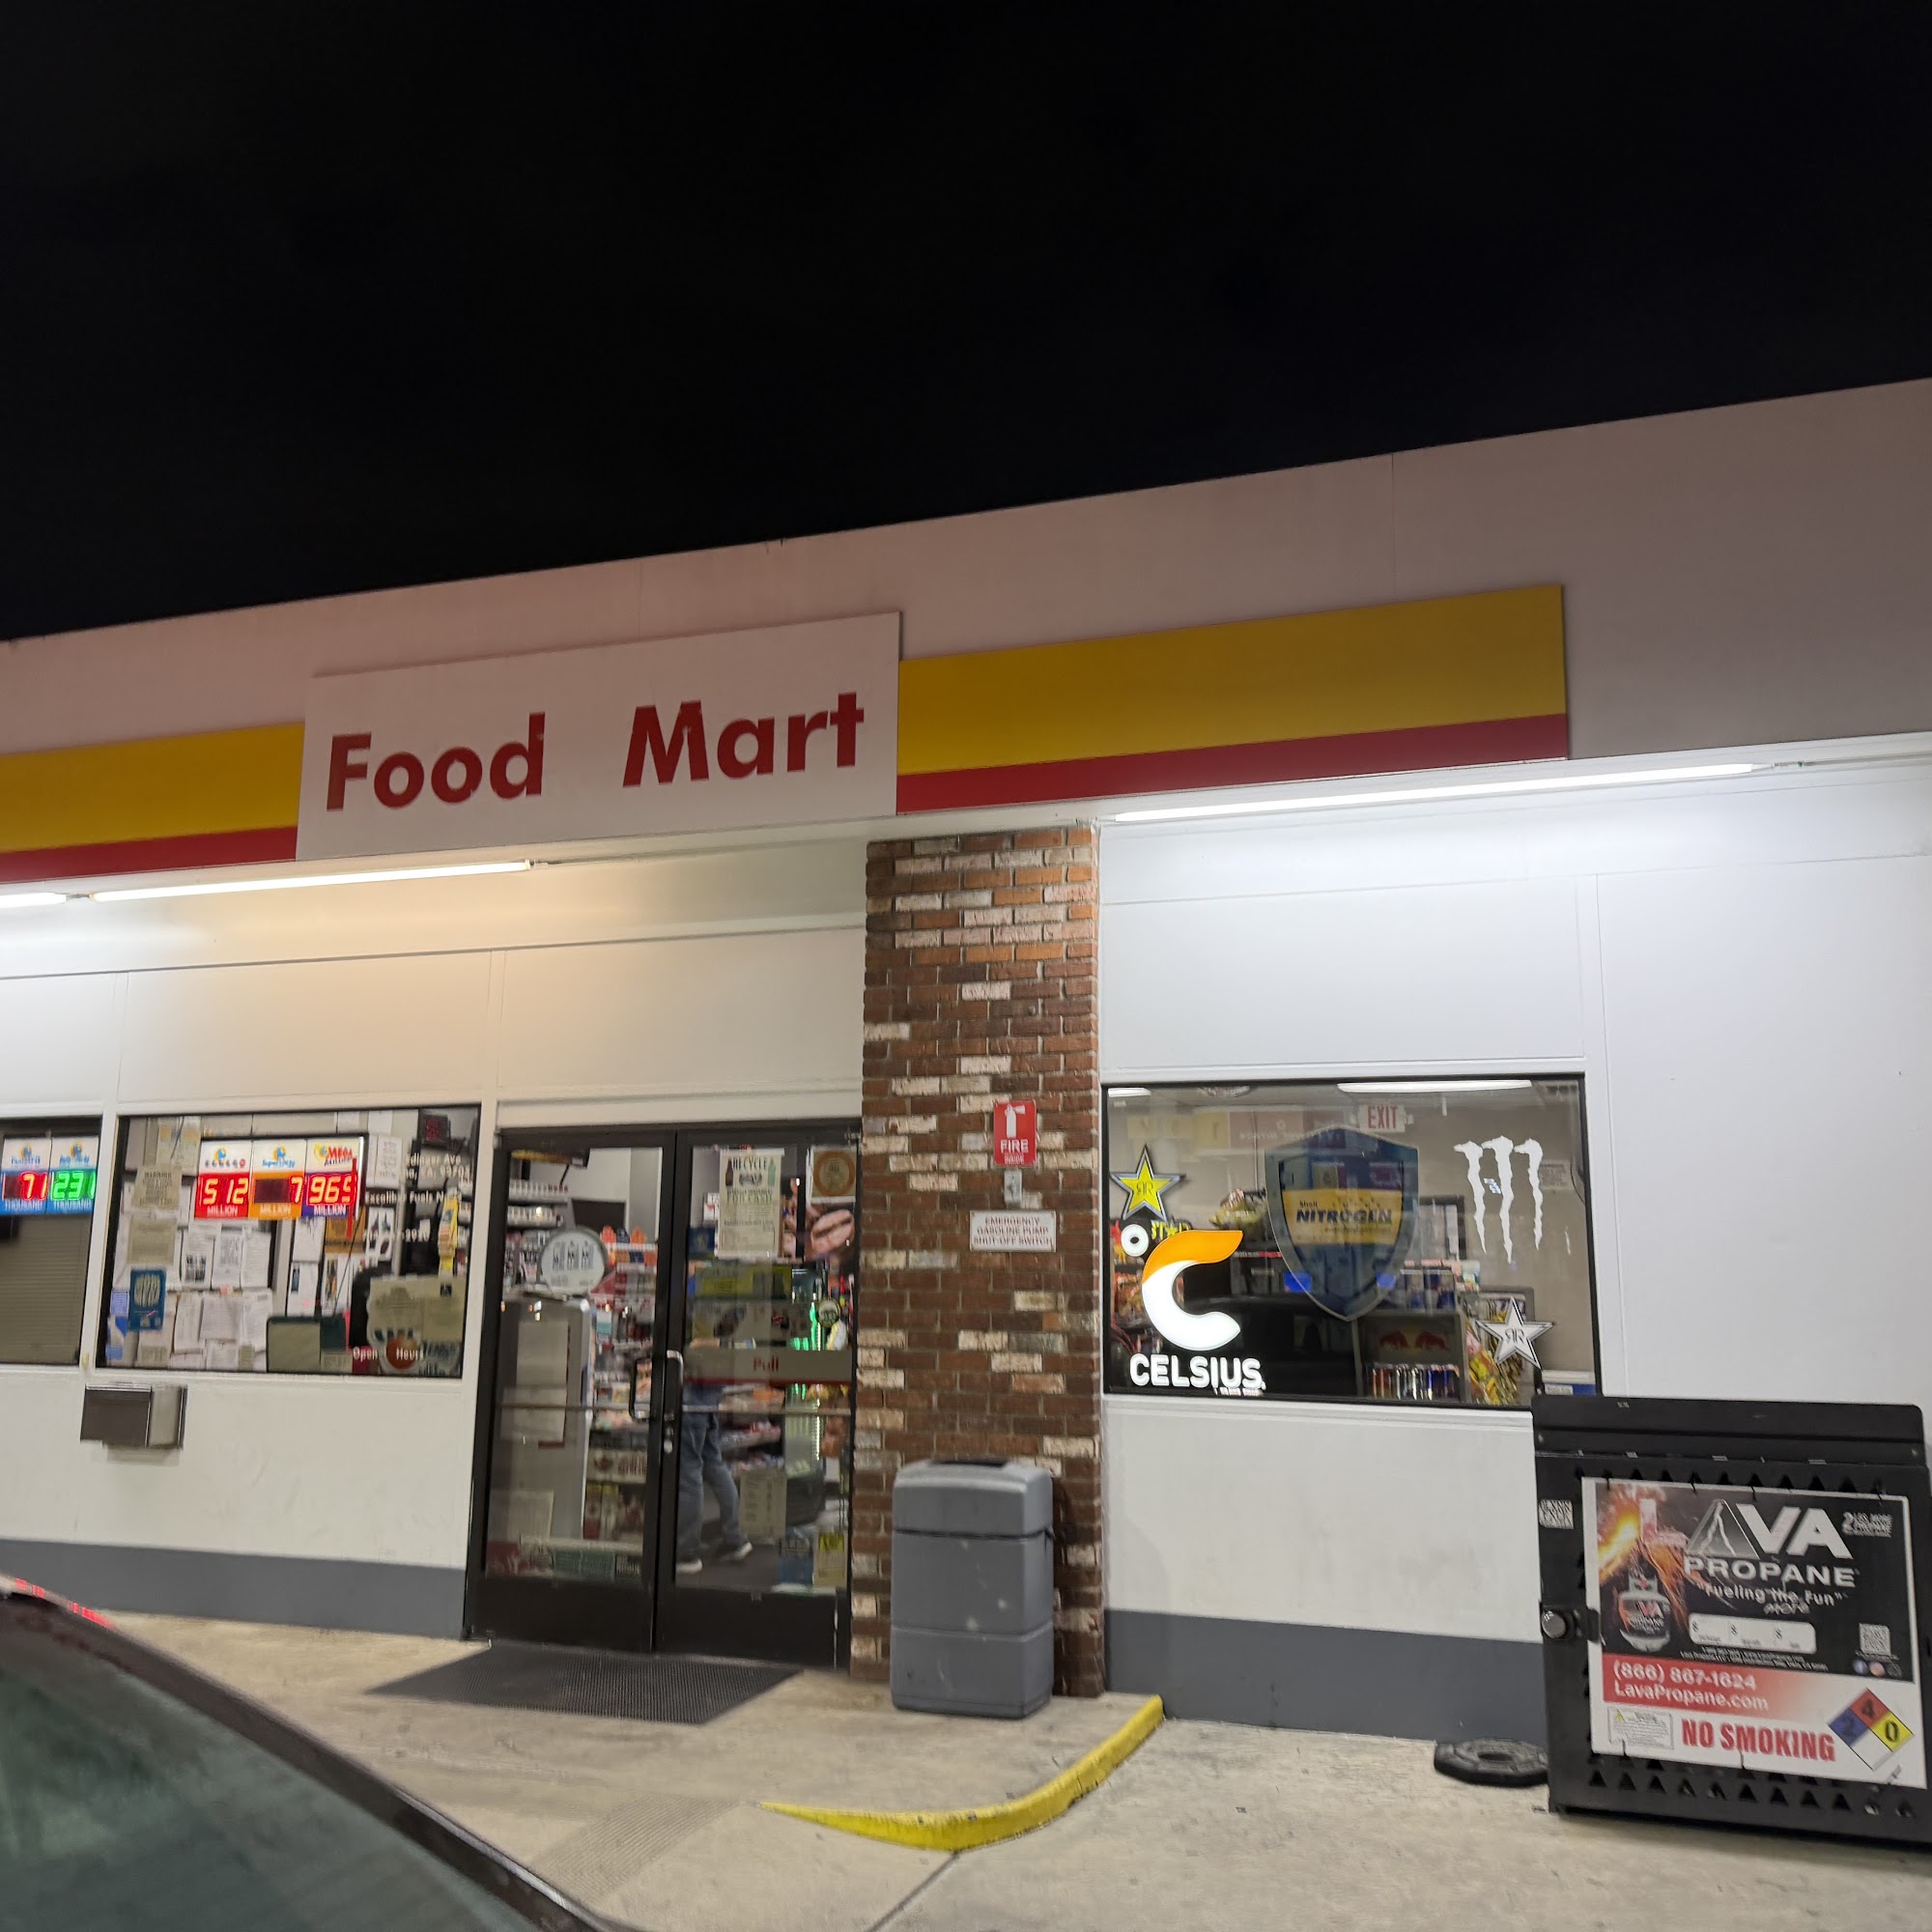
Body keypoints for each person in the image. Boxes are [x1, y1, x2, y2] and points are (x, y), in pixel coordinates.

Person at [675, 1366, 752, 1574]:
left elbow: (698, 1352)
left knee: (688, 1473)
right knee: (713, 1465)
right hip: (708, 1402)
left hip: (690, 1404)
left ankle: (685, 1551)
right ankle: (735, 1537)